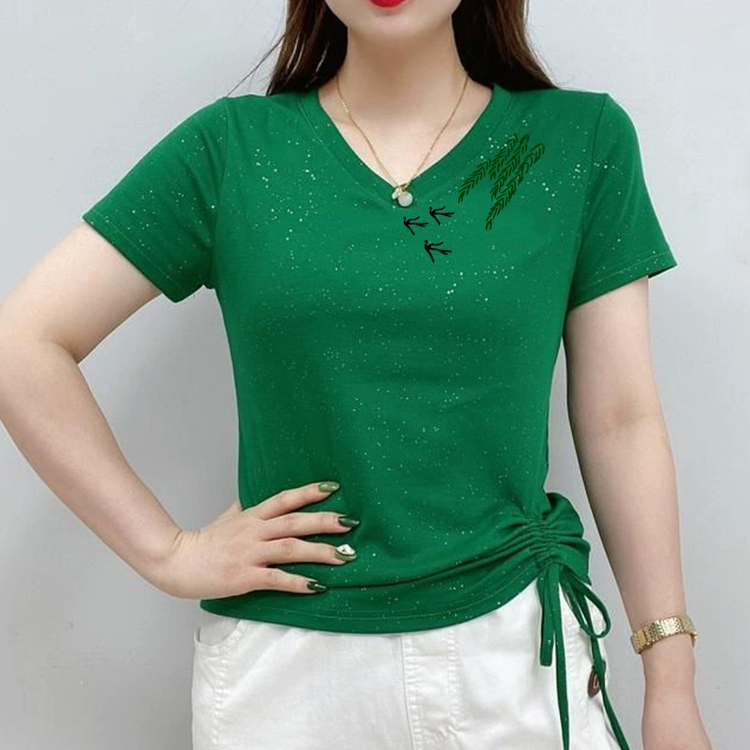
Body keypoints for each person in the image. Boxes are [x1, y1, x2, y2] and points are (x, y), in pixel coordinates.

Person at [0, 1, 714, 748]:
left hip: (514, 653)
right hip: (287, 677)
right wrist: (168, 552)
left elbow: (620, 419)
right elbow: (25, 341)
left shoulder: (579, 140)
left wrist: (670, 679)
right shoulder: (233, 148)